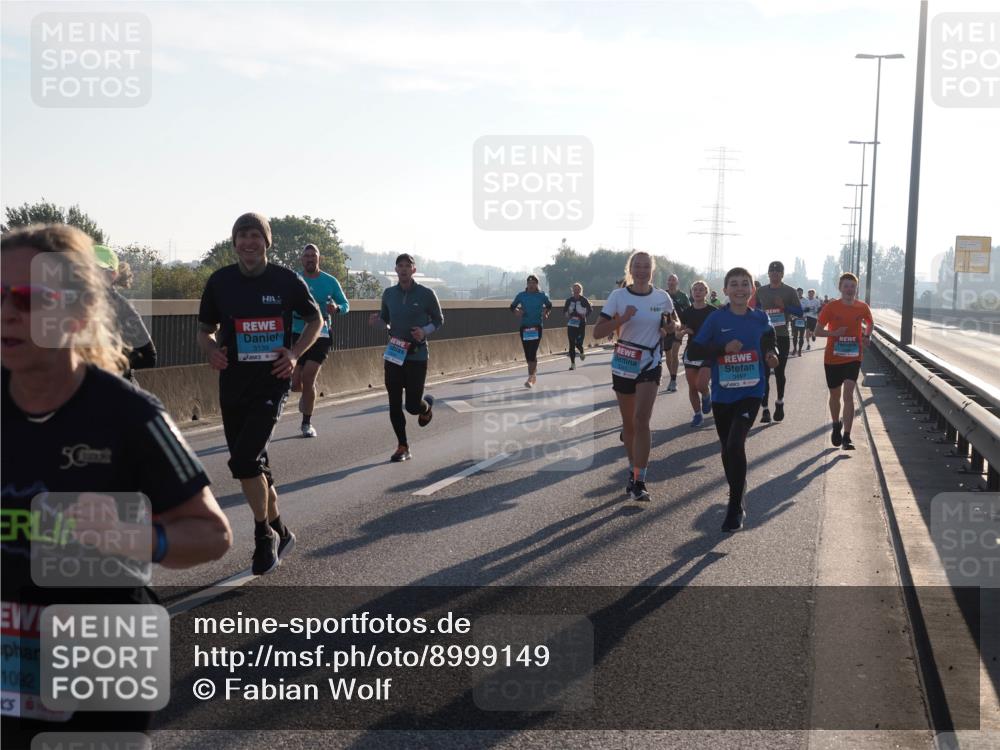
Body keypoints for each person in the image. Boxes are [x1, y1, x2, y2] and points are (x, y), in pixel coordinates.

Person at [1, 224, 232, 743]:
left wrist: (143, 539)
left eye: (28, 297)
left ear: (77, 314)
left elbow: (213, 534)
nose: (8, 312)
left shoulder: (129, 415)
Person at [198, 213, 322, 574]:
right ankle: (282, 530)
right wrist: (211, 350)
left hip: (272, 381)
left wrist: (296, 353)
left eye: (255, 236)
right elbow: (205, 330)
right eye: (242, 236)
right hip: (233, 384)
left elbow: (315, 320)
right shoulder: (220, 282)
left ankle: (262, 535)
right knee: (257, 467)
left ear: (266, 242)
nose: (248, 242)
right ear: (234, 242)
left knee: (245, 461)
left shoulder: (285, 280)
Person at [688, 267, 779, 531]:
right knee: (727, 449)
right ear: (726, 290)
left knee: (736, 442)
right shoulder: (717, 319)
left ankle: (735, 505)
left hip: (752, 391)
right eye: (734, 284)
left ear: (752, 289)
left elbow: (769, 339)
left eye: (745, 284)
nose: (740, 289)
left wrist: (771, 354)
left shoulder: (760, 318)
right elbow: (696, 347)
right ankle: (738, 486)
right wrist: (721, 349)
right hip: (722, 394)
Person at [593, 251, 675, 502]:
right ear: (631, 269)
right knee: (628, 424)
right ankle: (632, 468)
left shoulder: (662, 297)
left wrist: (671, 329)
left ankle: (639, 479)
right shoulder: (618, 296)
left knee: (641, 420)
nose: (641, 271)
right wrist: (623, 318)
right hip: (624, 362)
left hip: (650, 362)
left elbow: (674, 325)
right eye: (637, 266)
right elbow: (597, 332)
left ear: (652, 270)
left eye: (646, 266)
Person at [368, 253, 443, 462]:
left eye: (407, 266)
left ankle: (425, 407)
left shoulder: (426, 293)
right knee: (394, 402)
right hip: (394, 353)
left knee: (411, 406)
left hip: (417, 354)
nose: (403, 269)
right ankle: (403, 446)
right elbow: (385, 321)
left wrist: (424, 331)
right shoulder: (389, 293)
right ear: (396, 270)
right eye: (399, 266)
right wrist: (377, 322)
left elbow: (439, 319)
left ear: (414, 270)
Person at [291, 243, 350, 438]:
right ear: (302, 259)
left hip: (322, 334)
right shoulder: (295, 279)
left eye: (313, 256)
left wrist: (336, 308)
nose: (310, 259)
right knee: (295, 384)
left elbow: (345, 304)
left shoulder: (330, 281)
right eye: (306, 256)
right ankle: (307, 393)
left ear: (319, 259)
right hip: (297, 333)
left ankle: (306, 423)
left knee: (308, 377)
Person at [815, 273, 873, 451]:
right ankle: (835, 424)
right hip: (832, 358)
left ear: (856, 288)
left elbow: (870, 322)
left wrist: (867, 335)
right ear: (840, 288)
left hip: (853, 357)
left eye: (852, 286)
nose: (849, 289)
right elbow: (817, 331)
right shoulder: (831, 307)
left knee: (848, 393)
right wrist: (834, 333)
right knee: (835, 396)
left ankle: (847, 436)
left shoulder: (862, 307)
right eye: (846, 286)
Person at [93, 244, 157, 376]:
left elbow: (149, 357)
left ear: (112, 275)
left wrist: (107, 362)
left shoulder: (123, 308)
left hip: (113, 390)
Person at [751, 261, 802, 423]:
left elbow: (800, 312)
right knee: (764, 373)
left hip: (781, 336)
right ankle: (765, 409)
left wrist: (785, 306)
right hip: (764, 336)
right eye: (772, 272)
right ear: (768, 274)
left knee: (779, 372)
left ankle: (779, 402)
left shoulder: (790, 291)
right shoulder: (760, 291)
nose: (774, 274)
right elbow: (752, 308)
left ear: (782, 274)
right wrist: (759, 313)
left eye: (777, 272)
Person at [678, 280, 717, 427]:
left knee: (701, 385)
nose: (698, 292)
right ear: (691, 292)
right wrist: (683, 331)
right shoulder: (687, 311)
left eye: (701, 289)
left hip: (708, 352)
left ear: (706, 292)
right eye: (695, 289)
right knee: (692, 387)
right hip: (692, 352)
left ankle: (706, 396)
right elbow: (679, 330)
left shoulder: (713, 311)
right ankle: (697, 414)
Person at [509, 275, 552, 388]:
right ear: (527, 284)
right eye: (529, 283)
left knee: (532, 352)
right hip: (525, 327)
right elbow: (512, 306)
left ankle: (530, 377)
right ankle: (533, 373)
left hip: (536, 327)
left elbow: (549, 306)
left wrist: (546, 313)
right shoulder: (521, 295)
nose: (531, 285)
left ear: (537, 284)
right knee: (528, 354)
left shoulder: (542, 296)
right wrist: (517, 311)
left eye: (534, 283)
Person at [664, 273, 690, 393]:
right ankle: (672, 376)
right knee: (668, 356)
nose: (671, 282)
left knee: (674, 354)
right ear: (667, 282)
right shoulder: (663, 295)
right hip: (666, 328)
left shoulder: (682, 296)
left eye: (674, 280)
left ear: (677, 282)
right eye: (670, 280)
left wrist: (685, 326)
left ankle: (673, 380)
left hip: (678, 328)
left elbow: (689, 310)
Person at [563, 282, 592, 370]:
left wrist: (585, 314)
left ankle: (581, 351)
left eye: (578, 289)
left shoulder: (584, 300)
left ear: (580, 290)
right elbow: (564, 311)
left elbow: (590, 310)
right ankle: (573, 364)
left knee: (578, 343)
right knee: (571, 343)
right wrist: (566, 314)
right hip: (571, 324)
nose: (576, 291)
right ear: (572, 290)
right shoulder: (569, 300)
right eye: (575, 289)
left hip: (581, 324)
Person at [791, 287, 807, 357]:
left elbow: (808, 310)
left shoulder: (805, 300)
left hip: (803, 320)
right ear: (796, 293)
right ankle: (795, 349)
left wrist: (805, 315)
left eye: (801, 292)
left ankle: (800, 350)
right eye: (798, 292)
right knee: (795, 336)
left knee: (801, 336)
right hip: (795, 320)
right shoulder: (792, 300)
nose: (799, 293)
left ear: (802, 293)